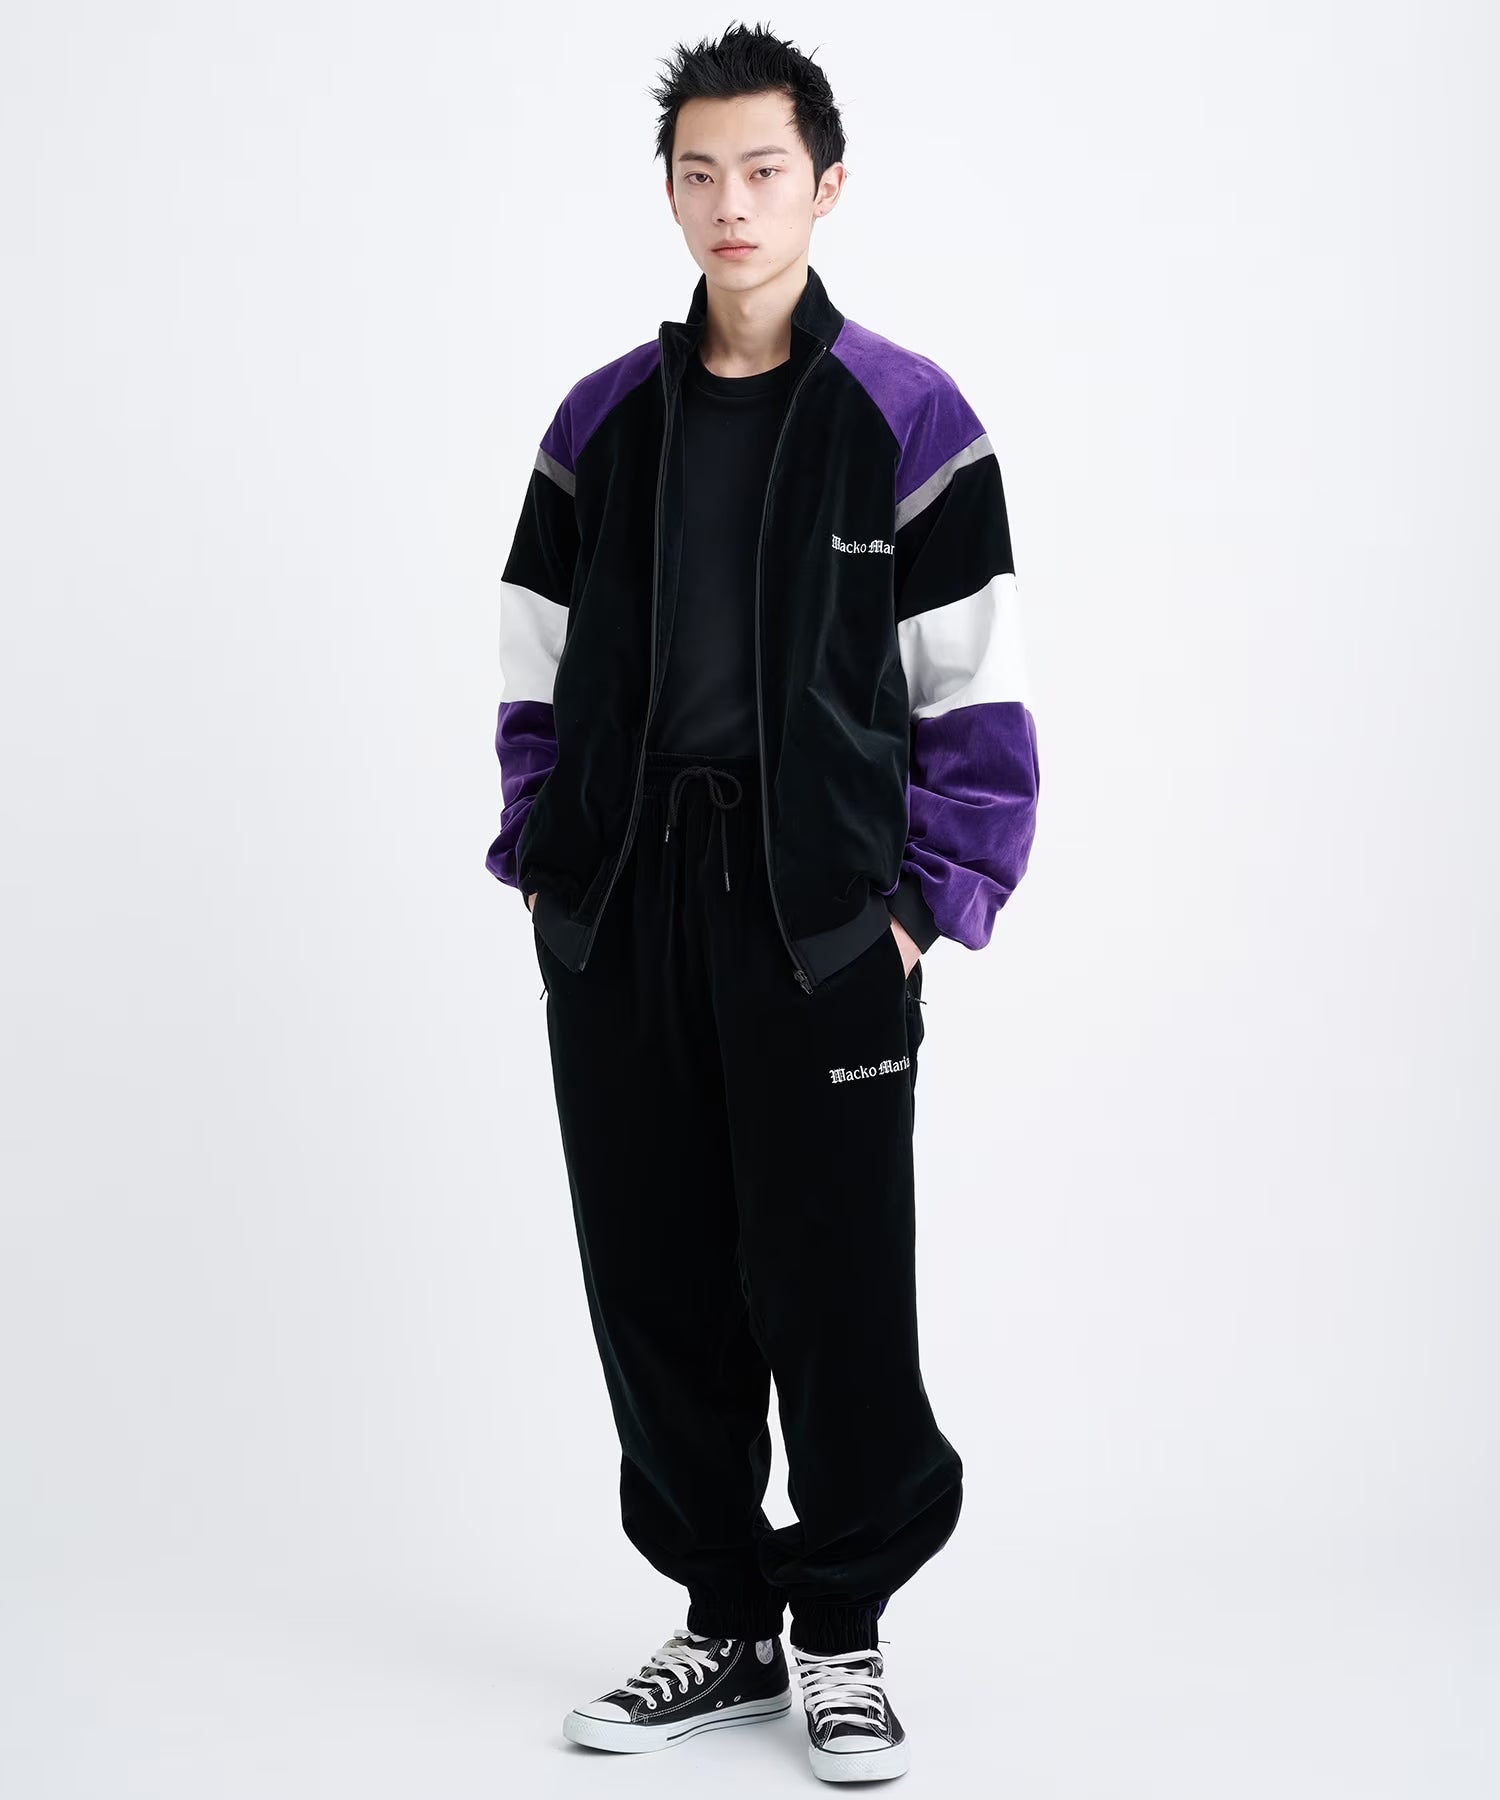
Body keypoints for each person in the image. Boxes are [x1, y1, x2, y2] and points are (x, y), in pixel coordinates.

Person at [485, 22, 1039, 1784]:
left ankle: (842, 1632)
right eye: (701, 173)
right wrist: (550, 867)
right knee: (653, 1274)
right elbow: (534, 667)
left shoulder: (910, 418)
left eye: (765, 171)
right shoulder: (602, 423)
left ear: (826, 185)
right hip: (625, 905)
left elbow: (973, 694)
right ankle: (722, 1618)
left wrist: (920, 907)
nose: (732, 203)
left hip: (820, 919)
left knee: (834, 1282)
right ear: (669, 194)